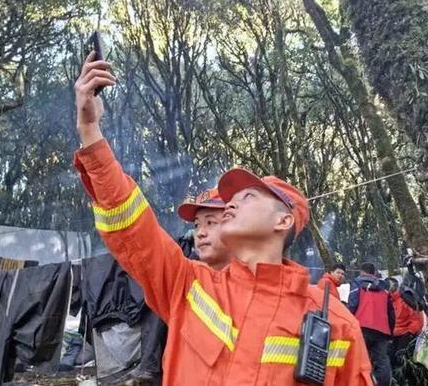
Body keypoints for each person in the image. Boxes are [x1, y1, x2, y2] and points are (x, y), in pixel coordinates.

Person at [72, 52, 373, 385]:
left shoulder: (336, 323)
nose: (229, 205)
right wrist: (90, 131)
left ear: (283, 221)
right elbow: (132, 227)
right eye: (229, 201)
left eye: (247, 197)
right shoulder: (189, 286)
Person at [348, 263, 395, 386]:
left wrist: (348, 323)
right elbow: (391, 312)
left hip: (362, 326)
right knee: (382, 360)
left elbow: (352, 304)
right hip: (382, 330)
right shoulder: (384, 288)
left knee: (360, 358)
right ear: (374, 273)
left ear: (361, 272)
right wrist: (390, 332)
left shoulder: (357, 283)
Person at [178, 188, 233, 271]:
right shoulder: (186, 277)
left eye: (210, 222)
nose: (200, 233)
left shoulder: (254, 277)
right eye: (197, 225)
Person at [385, 278, 424, 385]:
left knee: (401, 358)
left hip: (406, 333)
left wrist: (410, 333)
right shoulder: (387, 301)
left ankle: (409, 381)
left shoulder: (405, 298)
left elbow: (416, 319)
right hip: (393, 335)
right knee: (388, 358)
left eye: (390, 286)